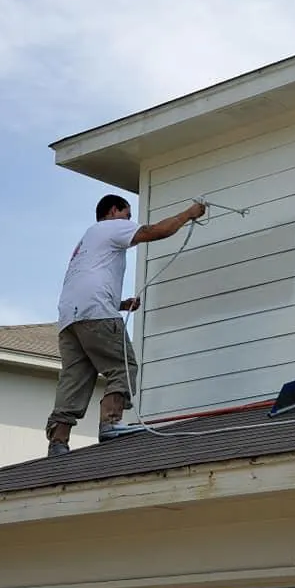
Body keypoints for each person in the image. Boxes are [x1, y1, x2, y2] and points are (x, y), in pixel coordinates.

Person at [45, 193, 207, 457]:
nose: (129, 221)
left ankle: (58, 440)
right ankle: (110, 422)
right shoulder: (111, 226)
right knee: (122, 366)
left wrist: (120, 304)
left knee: (74, 379)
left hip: (69, 319)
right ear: (112, 211)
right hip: (95, 311)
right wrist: (189, 213)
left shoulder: (87, 241)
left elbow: (88, 283)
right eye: (127, 214)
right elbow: (155, 231)